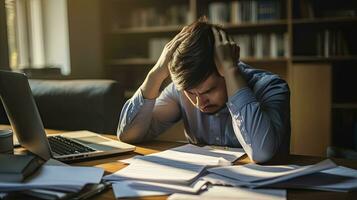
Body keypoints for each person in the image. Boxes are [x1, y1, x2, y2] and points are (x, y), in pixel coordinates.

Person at [117, 19, 291, 163]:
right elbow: (128, 135)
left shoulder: (271, 87)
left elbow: (262, 152)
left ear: (227, 66)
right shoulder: (180, 91)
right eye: (191, 93)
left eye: (210, 90)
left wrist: (232, 72)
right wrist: (155, 75)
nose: (200, 103)